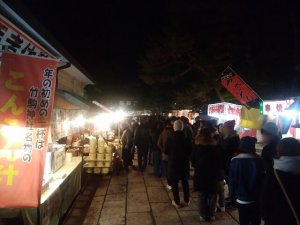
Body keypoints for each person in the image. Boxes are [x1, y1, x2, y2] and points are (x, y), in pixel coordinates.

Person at [261, 138, 300, 225]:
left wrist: (266, 218)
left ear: (278, 152)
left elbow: (265, 202)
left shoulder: (273, 175)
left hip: (277, 220)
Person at [229, 137, 264, 225]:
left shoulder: (234, 160)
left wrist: (232, 196)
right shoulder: (259, 160)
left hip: (241, 198)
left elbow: (232, 181)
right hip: (256, 197)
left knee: (243, 220)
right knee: (256, 220)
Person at [192, 127, 222, 222]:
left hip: (200, 174)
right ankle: (212, 214)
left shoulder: (196, 147)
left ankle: (202, 215)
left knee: (202, 195)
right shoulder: (216, 148)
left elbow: (192, 161)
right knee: (213, 195)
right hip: (213, 174)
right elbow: (221, 162)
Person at [165, 120, 191, 209]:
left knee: (174, 183)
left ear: (174, 127)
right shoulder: (187, 138)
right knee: (185, 182)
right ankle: (187, 200)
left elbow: (166, 150)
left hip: (173, 163)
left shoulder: (170, 137)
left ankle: (177, 201)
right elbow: (190, 151)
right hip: (184, 163)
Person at [157, 119, 173, 189]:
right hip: (173, 155)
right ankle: (172, 182)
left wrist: (162, 150)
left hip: (165, 155)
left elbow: (158, 144)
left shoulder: (163, 133)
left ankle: (169, 183)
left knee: (167, 169)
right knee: (172, 169)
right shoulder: (173, 133)